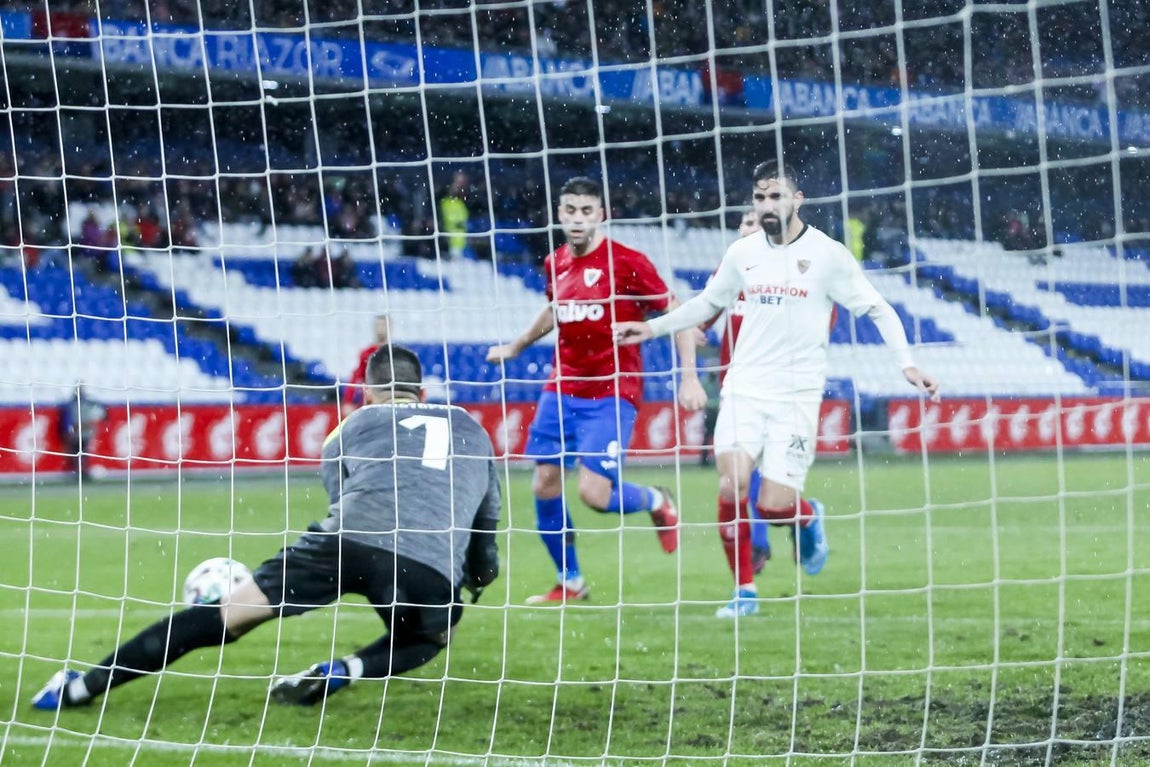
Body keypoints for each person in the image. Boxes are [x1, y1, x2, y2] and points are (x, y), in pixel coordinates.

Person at [32, 344, 502, 710]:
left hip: (342, 544)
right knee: (431, 637)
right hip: (426, 562)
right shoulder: (474, 430)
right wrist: (479, 576)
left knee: (225, 617)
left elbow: (342, 497)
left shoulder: (352, 426)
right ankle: (345, 669)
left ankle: (80, 688)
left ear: (366, 393)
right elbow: (486, 521)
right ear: (422, 392)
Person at [615, 160, 940, 619]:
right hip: (743, 389)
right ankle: (744, 590)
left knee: (772, 507)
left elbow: (879, 309)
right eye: (760, 197)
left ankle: (806, 516)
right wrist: (650, 330)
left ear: (797, 200)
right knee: (731, 484)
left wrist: (907, 365)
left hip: (796, 398)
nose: (767, 205)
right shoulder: (742, 253)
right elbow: (707, 303)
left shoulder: (827, 255)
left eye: (776, 196)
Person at [485, 176, 706, 605]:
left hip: (612, 391)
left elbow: (677, 312)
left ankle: (657, 499)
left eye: (586, 211)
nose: (577, 219)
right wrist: (516, 345)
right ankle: (570, 581)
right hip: (562, 385)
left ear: (601, 215)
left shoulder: (627, 262)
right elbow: (555, 310)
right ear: (560, 214)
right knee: (545, 483)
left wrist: (690, 377)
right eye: (570, 210)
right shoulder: (555, 263)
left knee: (594, 494)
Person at [341, 314, 391, 417]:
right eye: (378, 326)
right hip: (371, 400)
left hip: (391, 398)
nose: (380, 329)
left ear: (390, 328)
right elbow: (356, 377)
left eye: (383, 326)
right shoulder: (367, 353)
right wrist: (348, 401)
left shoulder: (396, 353)